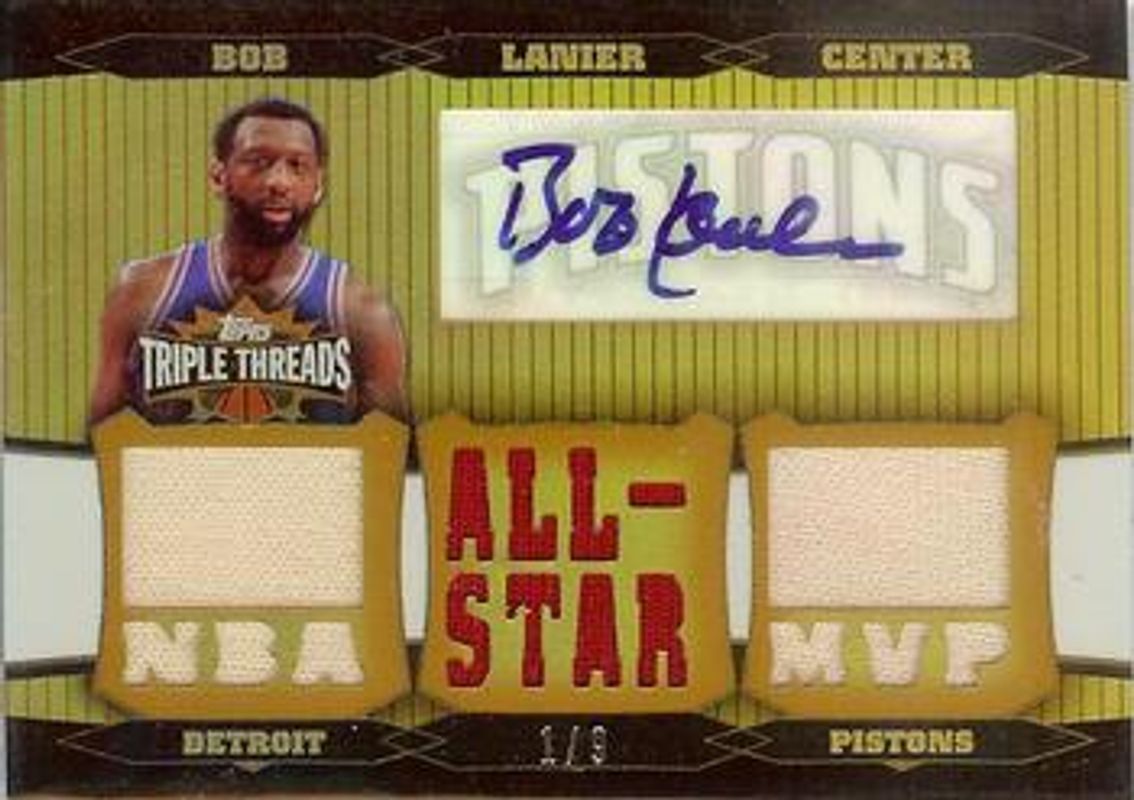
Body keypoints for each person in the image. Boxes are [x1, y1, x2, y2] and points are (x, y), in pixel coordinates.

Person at [90, 97, 408, 425]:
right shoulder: (144, 290)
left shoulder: (363, 313)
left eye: (297, 165)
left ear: (318, 185)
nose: (278, 182)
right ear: (218, 177)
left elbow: (390, 446)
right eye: (258, 162)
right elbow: (101, 437)